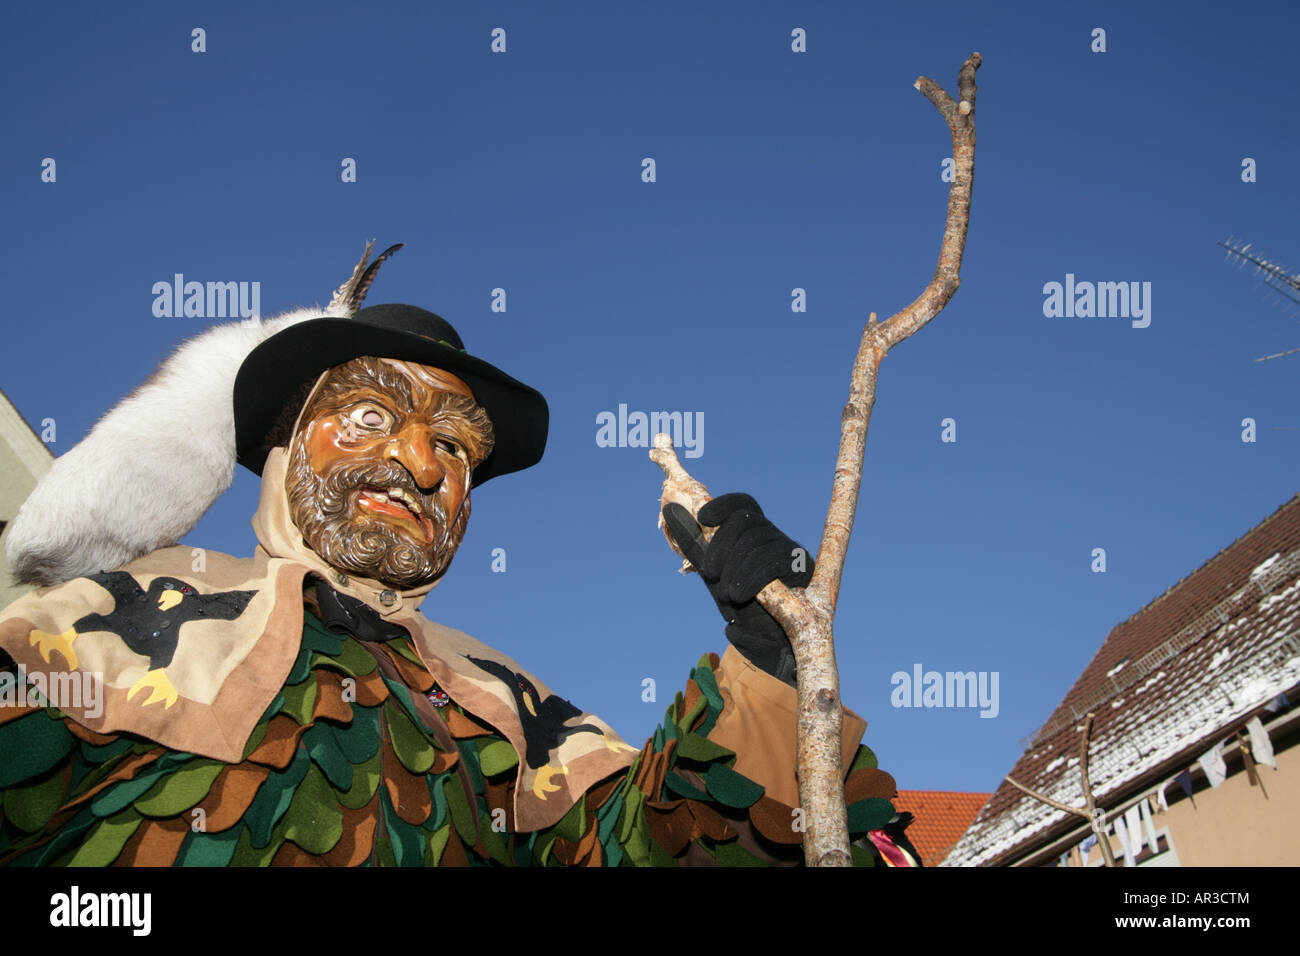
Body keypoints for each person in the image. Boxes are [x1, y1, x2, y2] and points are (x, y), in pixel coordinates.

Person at [0, 245, 918, 866]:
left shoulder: (514, 705)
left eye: (454, 446)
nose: (417, 462)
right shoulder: (101, 620)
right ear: (284, 446)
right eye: (369, 418)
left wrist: (767, 658)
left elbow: (661, 840)